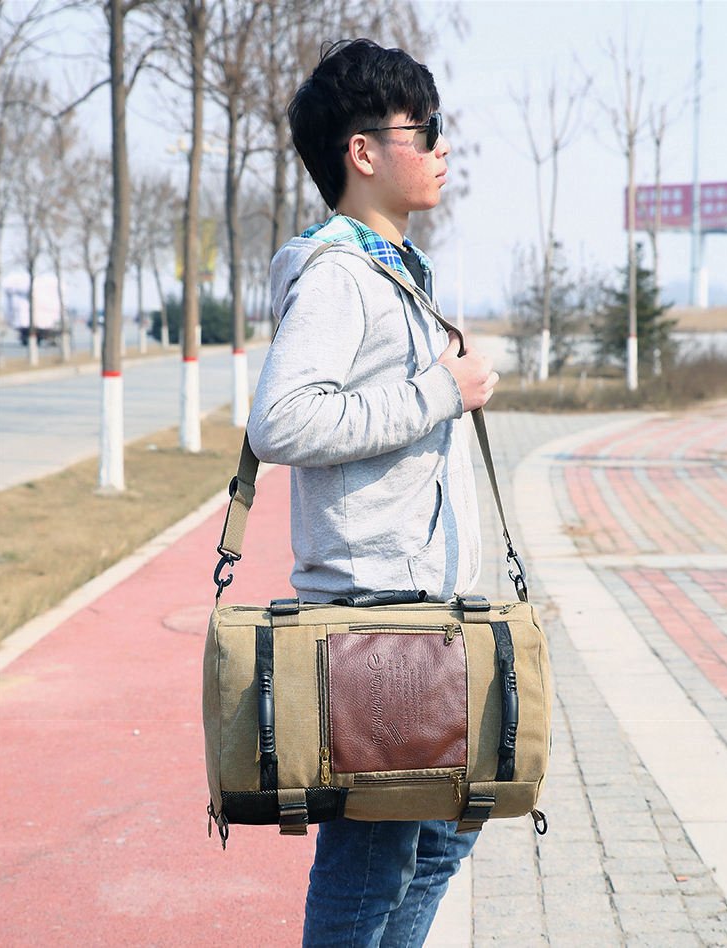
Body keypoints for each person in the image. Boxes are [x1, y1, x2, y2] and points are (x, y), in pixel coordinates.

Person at [247, 38, 499, 948]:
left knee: (434, 844)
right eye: (423, 129)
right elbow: (280, 423)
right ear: (362, 152)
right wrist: (443, 391)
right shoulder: (338, 274)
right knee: (371, 864)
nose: (440, 146)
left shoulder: (391, 271)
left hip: (423, 613)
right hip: (372, 622)